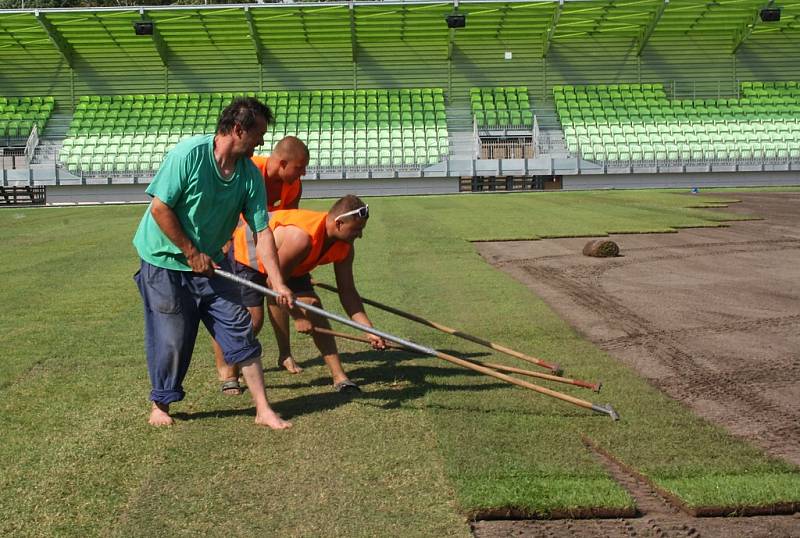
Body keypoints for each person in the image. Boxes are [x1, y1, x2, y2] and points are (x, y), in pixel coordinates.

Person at [132, 96, 294, 429]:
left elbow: (262, 232)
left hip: (212, 265)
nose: (262, 142)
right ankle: (160, 404)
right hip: (164, 260)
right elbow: (160, 208)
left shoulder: (249, 175)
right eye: (259, 134)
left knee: (239, 326)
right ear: (238, 129)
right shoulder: (188, 155)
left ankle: (263, 409)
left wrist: (277, 282)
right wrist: (191, 253)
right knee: (173, 336)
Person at [233, 194, 386, 392]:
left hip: (290, 261)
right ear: (339, 224)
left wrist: (370, 331)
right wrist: (298, 317)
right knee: (254, 320)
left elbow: (348, 292)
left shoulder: (345, 247)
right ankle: (230, 374)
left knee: (314, 307)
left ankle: (340, 377)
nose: (360, 235)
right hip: (250, 256)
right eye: (357, 229)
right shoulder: (302, 238)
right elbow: (273, 283)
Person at [213, 136, 310, 394]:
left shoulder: (294, 185)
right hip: (238, 250)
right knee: (251, 318)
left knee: (281, 296)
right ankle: (227, 370)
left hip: (270, 249)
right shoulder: (247, 169)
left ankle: (285, 354)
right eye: (300, 167)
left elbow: (289, 219)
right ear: (282, 162)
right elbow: (226, 211)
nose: (303, 173)